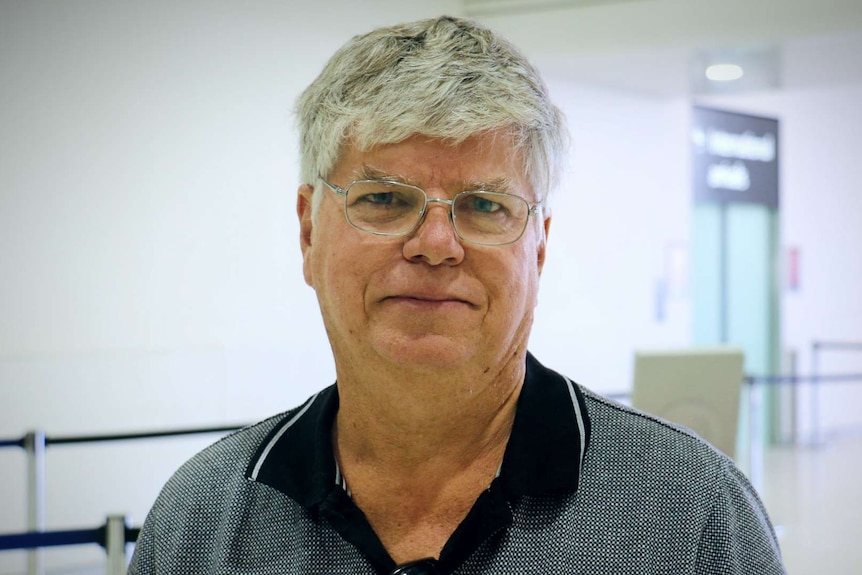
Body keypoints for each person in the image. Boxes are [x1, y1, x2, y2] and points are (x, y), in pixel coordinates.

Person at [129, 15, 786, 575]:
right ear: (308, 229)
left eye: (484, 205)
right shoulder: (200, 523)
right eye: (384, 199)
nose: (437, 243)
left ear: (540, 246)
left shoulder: (691, 514)